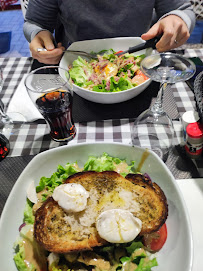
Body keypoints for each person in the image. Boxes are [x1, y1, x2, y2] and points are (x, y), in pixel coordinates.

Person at [23, 0, 196, 64]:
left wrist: (179, 19)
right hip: (76, 63)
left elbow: (183, 10)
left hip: (141, 61)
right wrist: (38, 35)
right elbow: (34, 22)